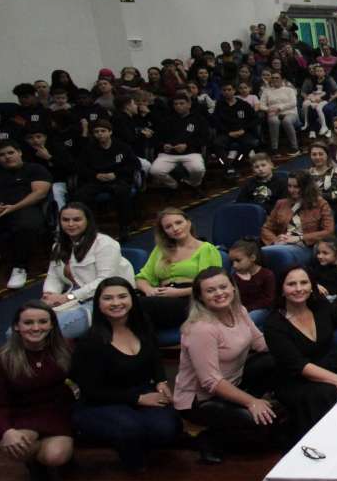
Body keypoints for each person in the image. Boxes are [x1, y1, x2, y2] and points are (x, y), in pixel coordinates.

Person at [70, 277, 181, 471]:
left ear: (132, 298)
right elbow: (91, 390)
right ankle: (130, 454)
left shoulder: (143, 324)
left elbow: (154, 356)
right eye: (108, 298)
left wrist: (161, 381)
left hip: (141, 390)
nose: (116, 303)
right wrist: (138, 399)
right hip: (102, 400)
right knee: (131, 428)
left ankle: (141, 445)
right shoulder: (90, 342)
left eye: (122, 296)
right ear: (98, 303)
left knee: (167, 428)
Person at [173, 268, 276, 463]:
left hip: (233, 384)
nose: (219, 293)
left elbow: (260, 344)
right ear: (200, 297)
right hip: (201, 400)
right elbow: (211, 382)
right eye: (210, 290)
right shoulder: (201, 328)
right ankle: (207, 438)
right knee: (261, 426)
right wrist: (251, 402)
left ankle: (230, 427)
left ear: (233, 288)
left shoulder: (239, 311)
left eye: (223, 287)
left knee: (273, 361)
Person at [264, 266, 337, 440]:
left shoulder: (319, 305)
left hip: (332, 361)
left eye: (304, 282)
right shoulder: (274, 324)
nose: (299, 288)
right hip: (298, 378)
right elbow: (298, 365)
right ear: (281, 290)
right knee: (330, 395)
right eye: (291, 284)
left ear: (311, 286)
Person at [0, 302, 75, 481]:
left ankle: (56, 459)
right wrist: (6, 431)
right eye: (28, 322)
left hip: (56, 413)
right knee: (17, 445)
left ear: (51, 325)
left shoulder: (66, 349)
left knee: (55, 455)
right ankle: (34, 464)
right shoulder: (0, 361)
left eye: (42, 321)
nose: (36, 328)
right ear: (17, 326)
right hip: (21, 416)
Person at [0, 141, 52, 293]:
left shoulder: (35, 169)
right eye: (1, 155)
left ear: (19, 152)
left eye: (10, 153)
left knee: (28, 225)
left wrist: (14, 207)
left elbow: (40, 192)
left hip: (24, 207)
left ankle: (20, 268)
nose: (6, 157)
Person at [41, 204, 135, 339]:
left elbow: (105, 282)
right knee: (24, 326)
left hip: (103, 299)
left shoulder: (105, 244)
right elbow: (53, 276)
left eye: (77, 219)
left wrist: (67, 297)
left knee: (50, 332)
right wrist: (49, 295)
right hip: (73, 298)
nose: (71, 224)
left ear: (87, 221)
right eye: (65, 220)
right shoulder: (58, 246)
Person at [136, 208, 223, 332]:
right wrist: (149, 290)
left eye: (178, 223)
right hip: (160, 297)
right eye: (168, 227)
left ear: (188, 223)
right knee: (133, 307)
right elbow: (141, 278)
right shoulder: (160, 250)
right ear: (164, 232)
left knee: (136, 306)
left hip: (191, 299)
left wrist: (176, 292)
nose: (175, 229)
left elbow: (211, 285)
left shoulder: (206, 249)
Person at [74, 120, 140, 238]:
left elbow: (134, 165)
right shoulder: (89, 149)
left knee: (123, 192)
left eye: (103, 131)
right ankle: (87, 229)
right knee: (80, 195)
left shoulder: (122, 147)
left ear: (110, 132)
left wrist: (116, 174)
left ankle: (125, 226)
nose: (100, 134)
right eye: (96, 131)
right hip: (96, 180)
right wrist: (95, 175)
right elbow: (81, 168)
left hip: (117, 179)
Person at [148, 94, 209, 189]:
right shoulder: (166, 120)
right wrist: (163, 145)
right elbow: (156, 138)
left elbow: (205, 138)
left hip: (191, 152)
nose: (178, 106)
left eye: (181, 103)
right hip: (168, 154)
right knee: (155, 171)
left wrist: (187, 145)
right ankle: (174, 185)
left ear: (189, 105)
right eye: (176, 104)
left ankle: (192, 183)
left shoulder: (199, 119)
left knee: (198, 169)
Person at [262, 171, 335, 249]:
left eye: (296, 187)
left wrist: (300, 238)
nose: (291, 190)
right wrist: (275, 241)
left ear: (307, 187)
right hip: (282, 245)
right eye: (289, 186)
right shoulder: (281, 203)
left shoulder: (321, 204)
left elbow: (329, 231)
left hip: (307, 246)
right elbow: (266, 228)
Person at [227, 239, 276, 324]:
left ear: (252, 258)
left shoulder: (267, 275)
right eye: (232, 262)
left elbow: (269, 300)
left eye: (238, 260)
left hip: (261, 309)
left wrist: (247, 309)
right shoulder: (234, 276)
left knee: (250, 318)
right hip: (240, 309)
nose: (234, 265)